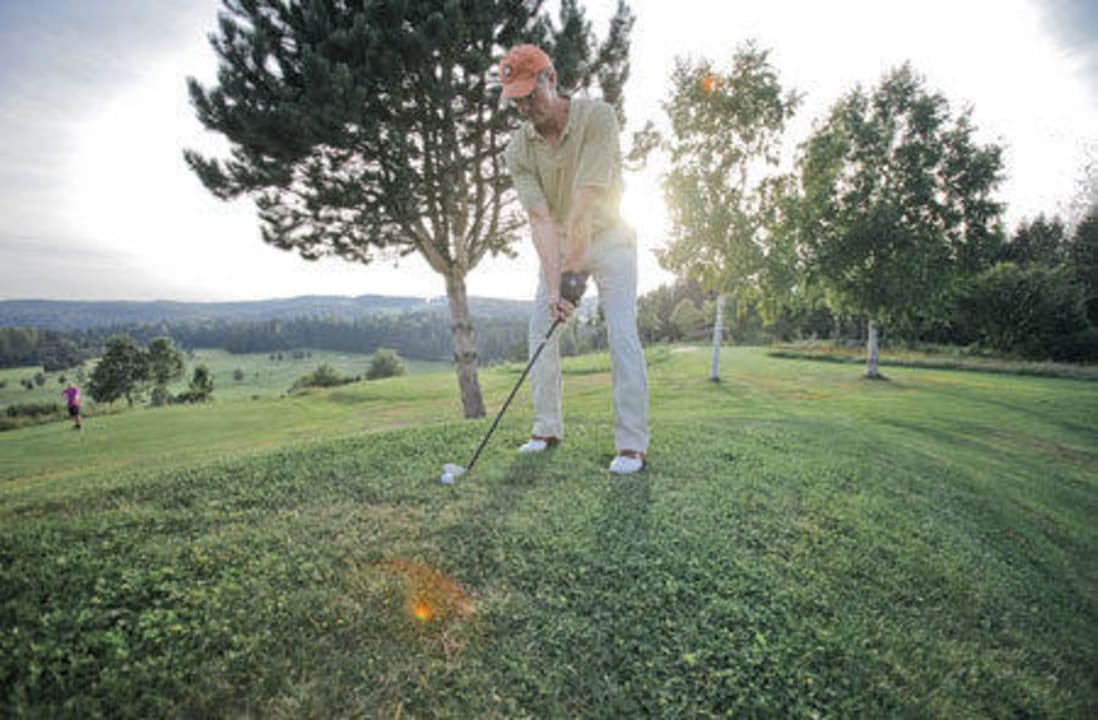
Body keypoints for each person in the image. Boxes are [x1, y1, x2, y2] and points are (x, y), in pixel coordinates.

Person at [500, 44, 649, 475]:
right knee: (540, 331)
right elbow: (541, 220)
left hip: (612, 241)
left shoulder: (597, 118)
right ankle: (546, 429)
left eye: (530, 95)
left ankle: (631, 446)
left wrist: (571, 282)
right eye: (516, 100)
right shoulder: (518, 149)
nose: (525, 107)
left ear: (551, 79)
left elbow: (585, 205)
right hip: (562, 244)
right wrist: (555, 287)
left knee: (622, 336)